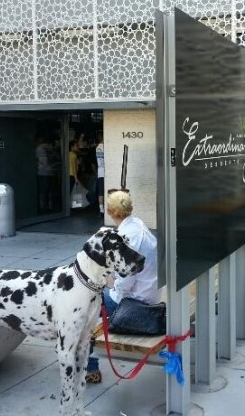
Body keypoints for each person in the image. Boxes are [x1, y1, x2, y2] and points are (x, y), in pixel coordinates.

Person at [86, 190, 160, 383]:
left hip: (135, 300)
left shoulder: (126, 237)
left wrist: (110, 284)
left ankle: (90, 368)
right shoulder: (138, 225)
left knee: (86, 309)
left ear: (110, 212)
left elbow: (125, 284)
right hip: (150, 291)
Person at [35, 135, 55, 212]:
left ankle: (43, 207)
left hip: (42, 172)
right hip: (52, 171)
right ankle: (50, 206)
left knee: (42, 190)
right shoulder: (52, 147)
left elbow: (40, 161)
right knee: (50, 190)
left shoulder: (39, 148)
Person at [95, 132, 105, 217]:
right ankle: (103, 210)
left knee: (101, 192)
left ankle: (101, 210)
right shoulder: (104, 147)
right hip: (105, 172)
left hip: (100, 171)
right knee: (104, 191)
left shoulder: (98, 147)